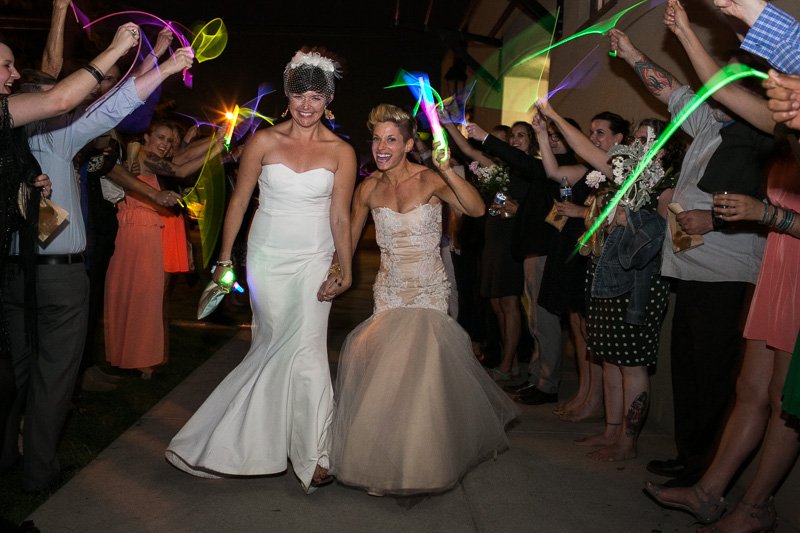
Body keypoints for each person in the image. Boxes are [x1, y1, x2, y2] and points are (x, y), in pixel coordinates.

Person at [1, 22, 191, 493]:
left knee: (12, 374)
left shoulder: (10, 135)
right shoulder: (53, 136)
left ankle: (6, 455)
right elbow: (109, 107)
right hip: (57, 278)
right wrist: (163, 64)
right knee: (53, 378)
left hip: (9, 273)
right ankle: (38, 471)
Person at [165, 48, 356, 493]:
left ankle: (315, 455)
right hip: (268, 257)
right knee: (273, 346)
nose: (307, 106)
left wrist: (344, 268)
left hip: (313, 259)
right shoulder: (264, 142)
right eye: (299, 95)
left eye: (316, 97)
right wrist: (225, 260)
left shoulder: (342, 152)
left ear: (328, 100)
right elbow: (237, 201)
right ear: (288, 96)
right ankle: (230, 438)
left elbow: (342, 217)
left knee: (308, 352)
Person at [329, 103, 517, 496]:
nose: (381, 147)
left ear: (409, 144)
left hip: (429, 289)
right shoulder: (368, 188)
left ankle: (420, 466)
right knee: (389, 378)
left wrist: (447, 168)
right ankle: (383, 462)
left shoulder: (430, 180)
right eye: (377, 139)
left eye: (391, 140)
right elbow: (346, 237)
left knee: (422, 380)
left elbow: (477, 208)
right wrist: (338, 271)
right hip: (390, 290)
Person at [608, 25, 766, 484]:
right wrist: (634, 51)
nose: (710, 93)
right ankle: (688, 454)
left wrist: (714, 221)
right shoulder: (707, 122)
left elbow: (770, 205)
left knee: (714, 375)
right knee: (689, 372)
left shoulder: (758, 136)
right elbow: (670, 90)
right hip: (690, 269)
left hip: (727, 272)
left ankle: (704, 468)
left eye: (723, 87)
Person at [104, 119, 220, 379]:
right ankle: (138, 360)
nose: (165, 144)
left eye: (169, 141)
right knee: (143, 296)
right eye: (161, 137)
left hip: (140, 228)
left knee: (139, 296)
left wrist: (216, 141)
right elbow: (180, 170)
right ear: (146, 137)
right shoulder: (144, 157)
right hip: (139, 231)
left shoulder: (145, 157)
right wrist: (218, 146)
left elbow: (183, 158)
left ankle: (130, 357)